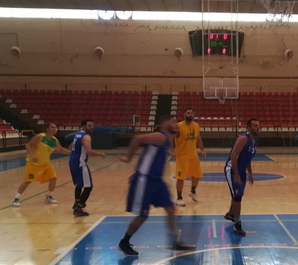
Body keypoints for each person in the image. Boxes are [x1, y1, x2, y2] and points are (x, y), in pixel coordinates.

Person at [117, 115, 195, 257]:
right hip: (145, 181)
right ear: (164, 125)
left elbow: (152, 156)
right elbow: (137, 139)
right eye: (172, 122)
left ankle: (175, 242)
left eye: (176, 122)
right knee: (142, 216)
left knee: (171, 209)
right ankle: (124, 242)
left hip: (157, 182)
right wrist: (129, 159)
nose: (176, 124)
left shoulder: (169, 140)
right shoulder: (160, 136)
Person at [12, 122, 70, 207]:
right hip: (33, 164)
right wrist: (32, 155)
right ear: (47, 128)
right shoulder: (40, 137)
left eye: (55, 128)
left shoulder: (55, 140)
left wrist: (70, 152)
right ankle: (16, 198)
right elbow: (28, 145)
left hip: (45, 164)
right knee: (28, 181)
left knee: (53, 177)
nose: (54, 129)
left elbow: (60, 149)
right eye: (52, 127)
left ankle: (49, 196)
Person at [223, 119, 260, 237]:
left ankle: (231, 213)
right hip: (232, 170)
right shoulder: (243, 139)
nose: (258, 127)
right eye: (255, 125)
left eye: (258, 125)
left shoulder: (255, 141)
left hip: (242, 171)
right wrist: (236, 174)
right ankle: (237, 224)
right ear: (248, 127)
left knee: (237, 194)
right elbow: (233, 155)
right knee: (237, 196)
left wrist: (250, 173)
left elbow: (248, 158)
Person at [69, 119, 106, 217]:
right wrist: (100, 154)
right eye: (89, 125)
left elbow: (70, 147)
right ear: (83, 126)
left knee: (79, 184)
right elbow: (89, 151)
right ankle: (79, 207)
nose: (91, 127)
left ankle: (77, 202)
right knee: (89, 186)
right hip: (80, 163)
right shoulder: (86, 137)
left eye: (92, 125)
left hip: (72, 161)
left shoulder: (77, 135)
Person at [173, 108, 206, 206]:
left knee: (198, 175)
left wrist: (202, 149)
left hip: (193, 155)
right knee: (180, 178)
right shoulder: (178, 126)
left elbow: (198, 138)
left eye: (192, 113)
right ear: (184, 114)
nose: (190, 114)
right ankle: (179, 198)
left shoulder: (196, 125)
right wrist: (171, 150)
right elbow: (170, 137)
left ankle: (192, 191)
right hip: (182, 157)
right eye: (188, 113)